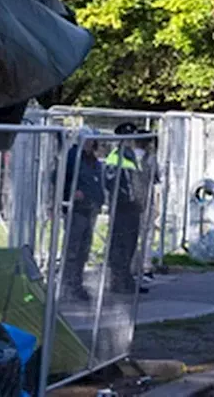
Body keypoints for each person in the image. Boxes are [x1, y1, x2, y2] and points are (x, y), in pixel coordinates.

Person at [105, 122, 150, 295]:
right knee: (120, 245)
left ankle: (126, 280)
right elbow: (113, 183)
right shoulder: (116, 156)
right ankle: (117, 281)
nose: (132, 141)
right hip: (121, 208)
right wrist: (128, 199)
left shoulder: (131, 156)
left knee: (130, 245)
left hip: (133, 208)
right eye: (129, 137)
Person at [61, 129, 105, 302]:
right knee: (73, 249)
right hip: (77, 209)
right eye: (89, 141)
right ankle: (67, 286)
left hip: (90, 208)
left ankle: (77, 284)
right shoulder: (73, 156)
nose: (91, 144)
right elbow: (60, 178)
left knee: (83, 250)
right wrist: (70, 193)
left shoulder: (92, 159)